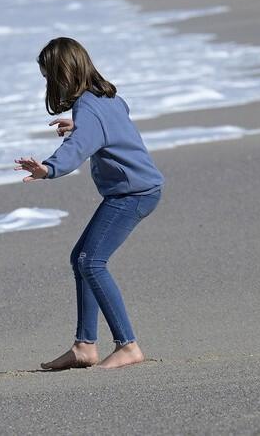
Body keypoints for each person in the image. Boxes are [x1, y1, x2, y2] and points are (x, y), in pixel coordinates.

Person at [15, 37, 165, 372]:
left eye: (48, 77)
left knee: (92, 261)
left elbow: (77, 149)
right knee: (81, 258)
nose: (48, 84)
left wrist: (48, 168)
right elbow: (112, 127)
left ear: (62, 74)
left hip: (133, 193)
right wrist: (80, 126)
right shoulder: (108, 97)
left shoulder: (88, 108)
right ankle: (84, 346)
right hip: (138, 189)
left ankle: (128, 345)